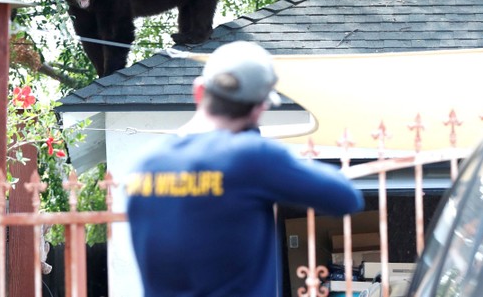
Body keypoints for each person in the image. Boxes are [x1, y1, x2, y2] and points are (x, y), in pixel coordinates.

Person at [126, 40, 364, 297]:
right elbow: (346, 198)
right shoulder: (252, 157)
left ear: (199, 91)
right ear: (259, 108)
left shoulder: (143, 164)